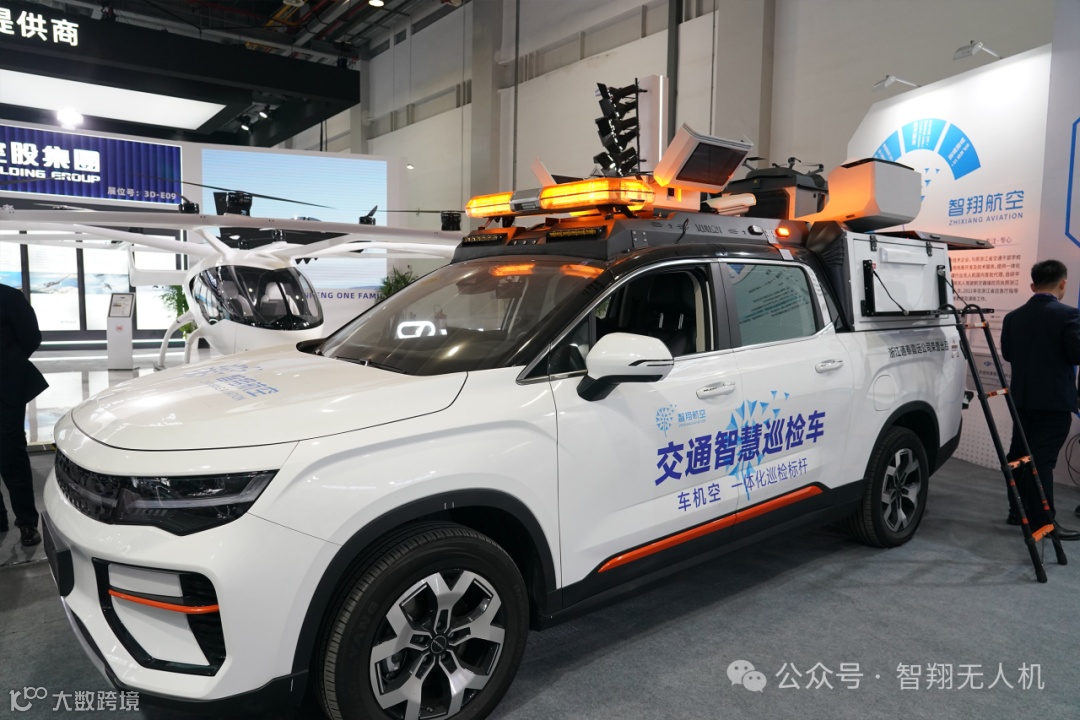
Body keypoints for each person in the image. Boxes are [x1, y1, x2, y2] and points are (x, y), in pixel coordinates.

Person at [1000, 259, 1080, 541]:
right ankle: (1044, 524)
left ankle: (1017, 511)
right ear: (1063, 283)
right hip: (1054, 402)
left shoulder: (1013, 317)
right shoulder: (1068, 315)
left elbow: (1008, 354)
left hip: (1022, 399)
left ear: (1033, 285)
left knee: (1019, 456)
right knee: (1042, 462)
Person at [0, 283, 47, 546]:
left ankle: (27, 522)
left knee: (11, 453)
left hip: (5, 388)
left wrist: (8, 364)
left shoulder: (8, 297)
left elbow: (31, 337)